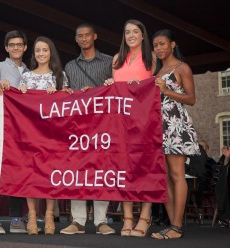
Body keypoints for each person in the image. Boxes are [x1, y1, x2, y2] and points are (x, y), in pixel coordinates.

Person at [60, 22, 115, 235]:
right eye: (79, 36)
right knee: (77, 171)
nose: (83, 39)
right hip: (78, 127)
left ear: (95, 36)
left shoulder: (110, 62)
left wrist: (98, 90)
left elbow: (117, 90)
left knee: (101, 171)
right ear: (76, 39)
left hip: (103, 125)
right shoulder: (70, 66)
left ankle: (101, 221)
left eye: (87, 35)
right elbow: (65, 95)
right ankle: (78, 221)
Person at [105, 19, 155, 237]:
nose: (131, 35)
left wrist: (140, 85)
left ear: (143, 35)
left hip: (144, 121)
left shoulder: (150, 58)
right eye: (127, 32)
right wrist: (110, 85)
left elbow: (154, 87)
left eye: (136, 31)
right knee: (123, 169)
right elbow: (116, 89)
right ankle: (127, 217)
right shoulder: (116, 59)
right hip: (121, 121)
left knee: (145, 168)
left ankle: (145, 216)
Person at [151, 29, 200, 239]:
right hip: (158, 126)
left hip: (175, 125)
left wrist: (166, 91)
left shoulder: (182, 68)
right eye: (156, 45)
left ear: (173, 44)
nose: (159, 48)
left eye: (162, 44)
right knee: (165, 177)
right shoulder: (158, 70)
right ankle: (172, 225)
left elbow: (191, 99)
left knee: (177, 174)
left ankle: (177, 227)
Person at [18, 36, 70, 235]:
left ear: (51, 53)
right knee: (31, 174)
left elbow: (68, 100)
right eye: (38, 50)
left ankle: (49, 214)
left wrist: (59, 92)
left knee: (50, 174)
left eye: (45, 50)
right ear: (34, 54)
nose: (41, 53)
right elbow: (19, 104)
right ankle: (32, 215)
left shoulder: (60, 75)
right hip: (31, 133)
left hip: (52, 134)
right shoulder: (26, 76)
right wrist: (20, 91)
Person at [0, 30, 29, 235]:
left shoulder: (30, 72)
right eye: (12, 45)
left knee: (18, 174)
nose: (16, 48)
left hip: (23, 134)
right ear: (6, 48)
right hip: (0, 130)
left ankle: (17, 219)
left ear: (25, 47)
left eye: (19, 44)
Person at [215, 146, 230, 227]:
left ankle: (226, 218)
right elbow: (223, 170)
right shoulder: (224, 156)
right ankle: (226, 218)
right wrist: (227, 156)